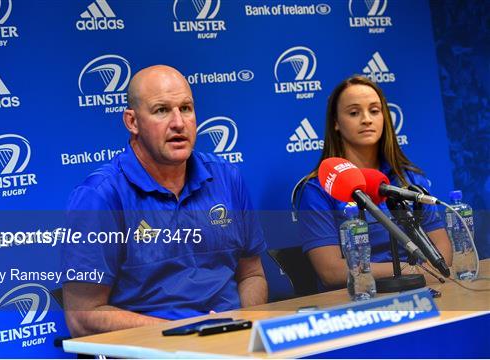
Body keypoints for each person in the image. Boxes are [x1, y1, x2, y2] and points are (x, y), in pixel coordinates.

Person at [62, 65, 267, 337]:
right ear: (132, 122)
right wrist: (187, 331)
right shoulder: (99, 196)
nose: (179, 123)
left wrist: (243, 323)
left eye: (186, 108)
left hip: (233, 343)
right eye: (161, 110)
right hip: (153, 348)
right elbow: (82, 316)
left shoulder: (226, 177)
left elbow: (252, 274)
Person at [294, 75, 452, 291]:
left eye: (374, 110)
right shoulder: (317, 189)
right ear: (336, 123)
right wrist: (411, 271)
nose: (366, 119)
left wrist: (421, 273)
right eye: (354, 112)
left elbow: (443, 251)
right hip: (358, 302)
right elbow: (331, 271)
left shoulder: (408, 179)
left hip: (421, 290)